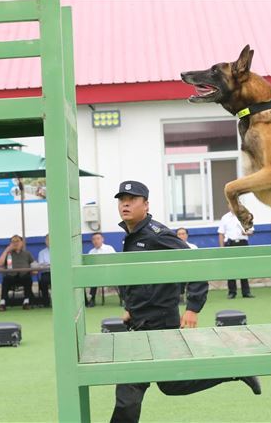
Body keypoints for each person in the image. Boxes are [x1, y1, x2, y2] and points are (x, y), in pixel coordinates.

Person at [111, 180, 261, 423]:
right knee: (150, 389)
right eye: (121, 199)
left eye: (132, 199)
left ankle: (234, 370)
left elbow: (195, 265)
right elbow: (137, 277)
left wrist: (192, 308)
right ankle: (235, 371)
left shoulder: (156, 235)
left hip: (159, 323)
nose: (125, 204)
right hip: (140, 323)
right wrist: (129, 307)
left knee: (151, 389)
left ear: (146, 205)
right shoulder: (131, 236)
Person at [218, 207, 255, 299]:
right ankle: (232, 292)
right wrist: (222, 248)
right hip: (230, 244)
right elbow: (221, 233)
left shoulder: (245, 216)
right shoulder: (225, 218)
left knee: (244, 267)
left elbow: (251, 231)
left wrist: (246, 233)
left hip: (242, 243)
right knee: (230, 268)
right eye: (230, 205)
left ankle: (246, 292)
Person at [0, 235, 35, 311]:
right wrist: (6, 250)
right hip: (11, 276)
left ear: (22, 243)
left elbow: (33, 263)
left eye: (17, 241)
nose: (15, 243)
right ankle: (3, 302)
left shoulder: (27, 253)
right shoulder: (8, 254)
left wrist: (34, 269)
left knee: (28, 278)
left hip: (24, 275)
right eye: (13, 242)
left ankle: (26, 302)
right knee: (6, 279)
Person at [86, 232, 117, 307]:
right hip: (97, 275)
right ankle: (92, 300)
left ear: (102, 239)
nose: (96, 241)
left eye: (98, 238)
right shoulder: (91, 252)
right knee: (94, 278)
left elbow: (115, 261)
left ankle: (124, 299)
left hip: (110, 273)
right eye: (94, 239)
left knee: (120, 278)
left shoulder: (109, 248)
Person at [176, 227, 198, 304]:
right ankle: (180, 297)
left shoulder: (193, 247)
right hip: (178, 269)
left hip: (191, 269)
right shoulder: (172, 247)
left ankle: (192, 298)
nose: (181, 236)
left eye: (183, 234)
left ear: (187, 235)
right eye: (179, 234)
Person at [37, 233, 52, 307]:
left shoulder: (60, 251)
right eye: (47, 240)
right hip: (46, 272)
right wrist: (50, 265)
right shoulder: (42, 252)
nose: (49, 241)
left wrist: (48, 264)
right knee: (43, 281)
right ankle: (46, 302)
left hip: (58, 273)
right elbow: (41, 265)